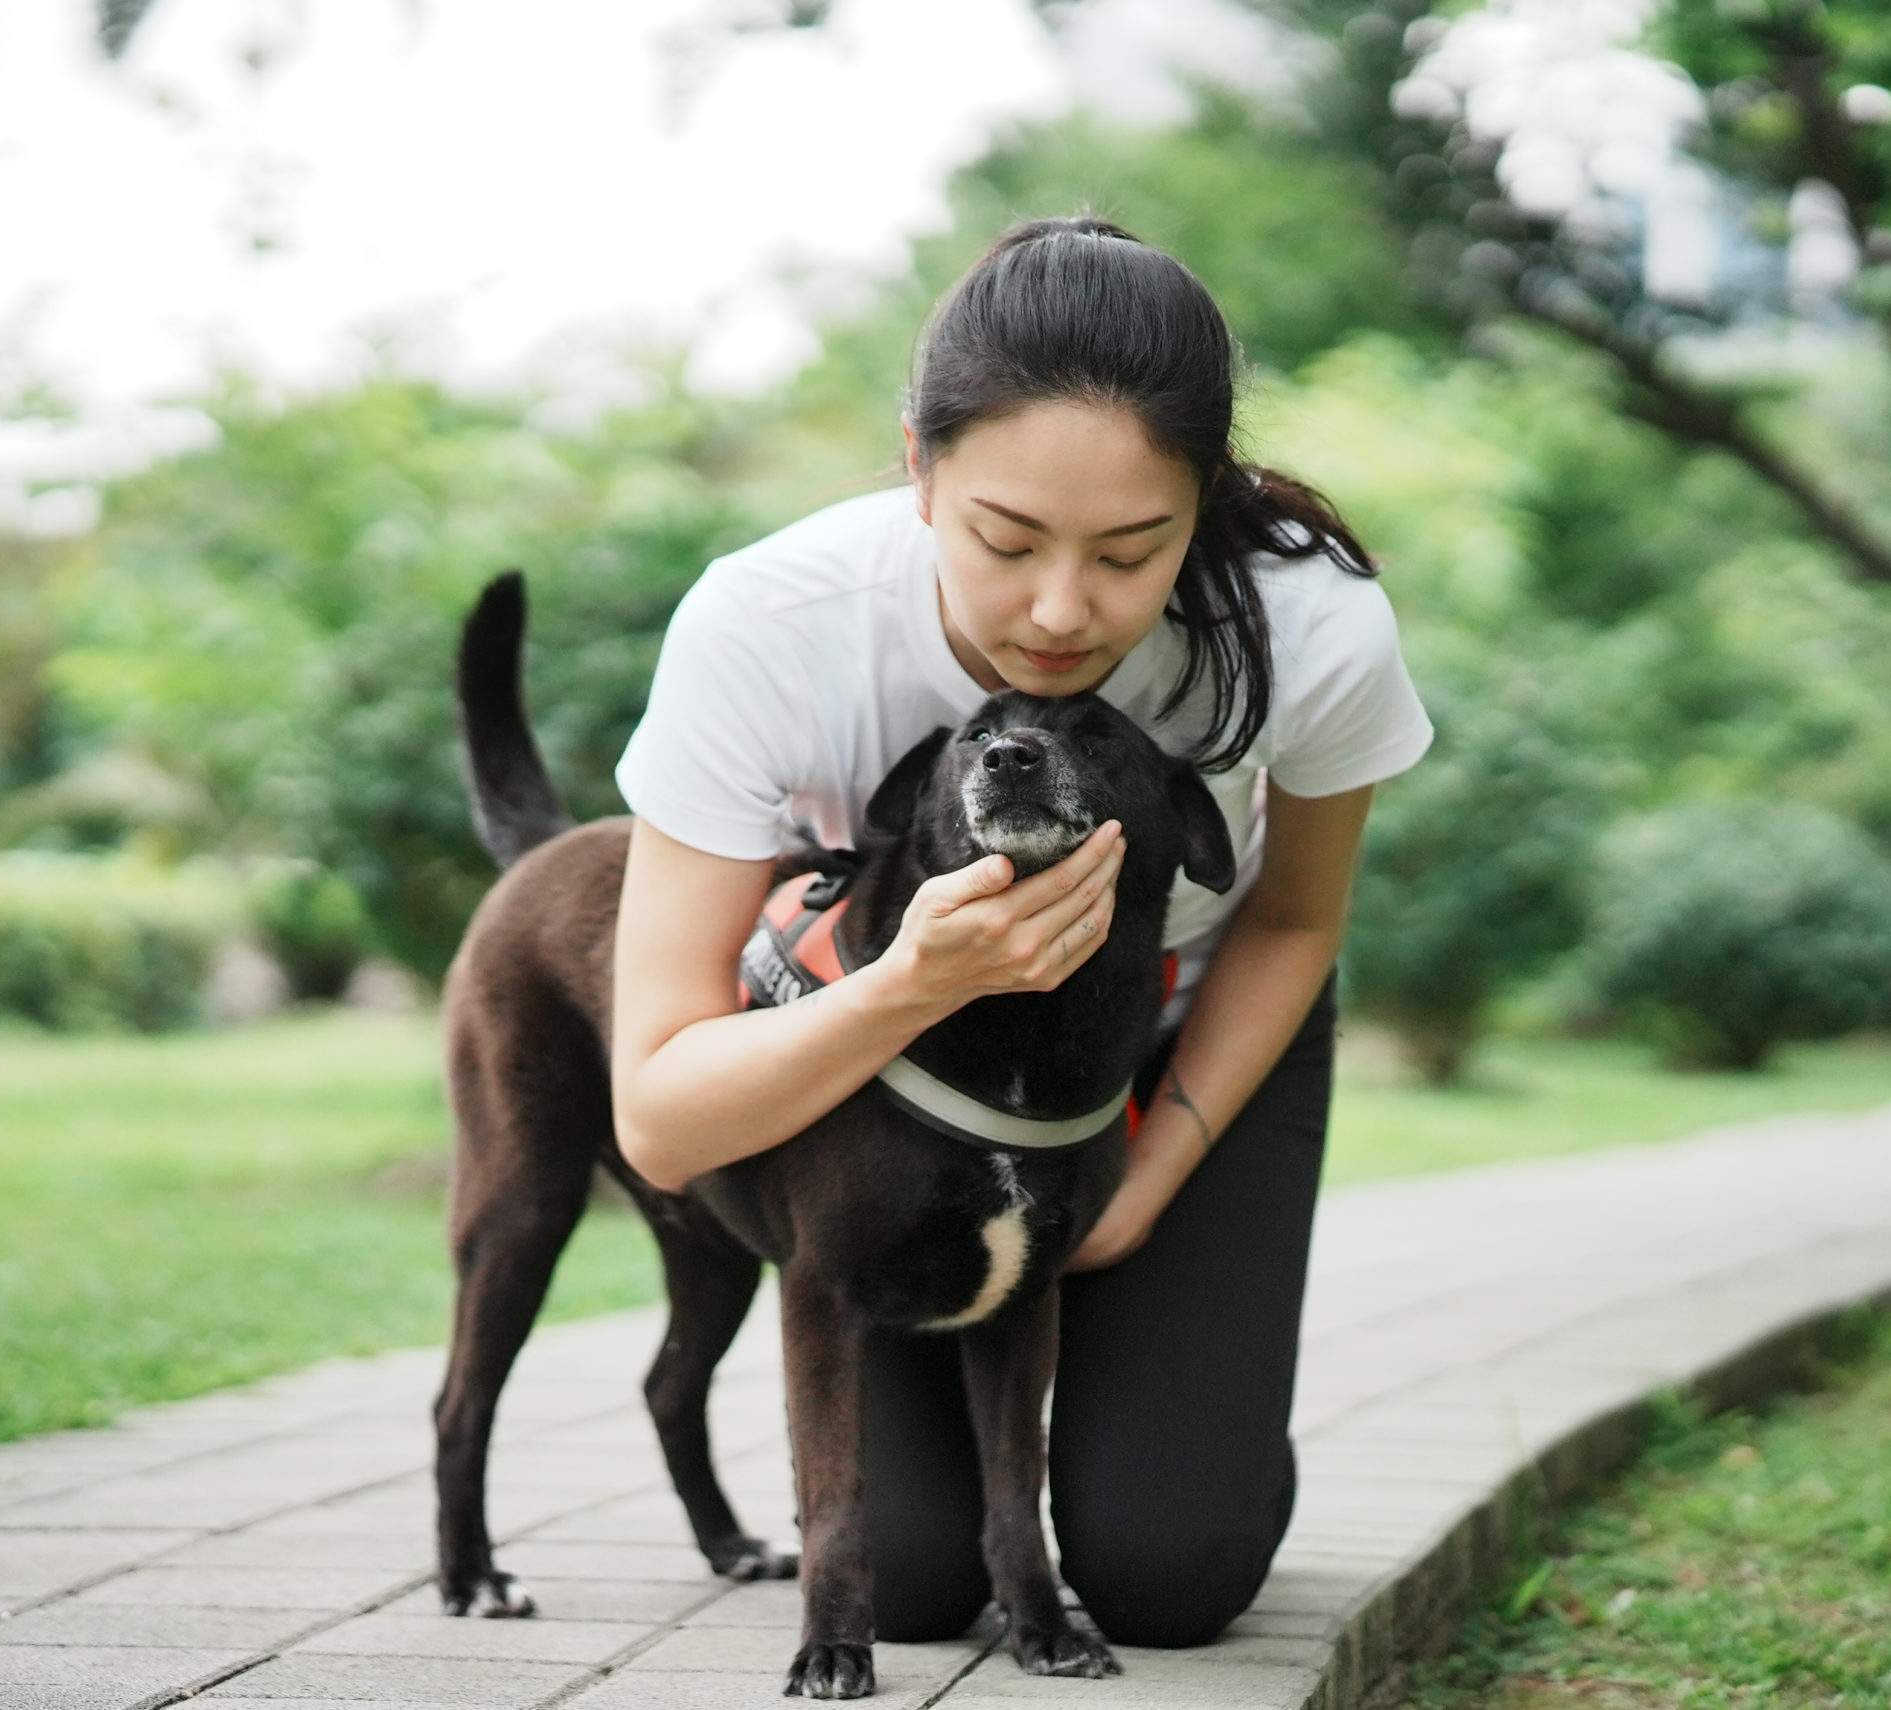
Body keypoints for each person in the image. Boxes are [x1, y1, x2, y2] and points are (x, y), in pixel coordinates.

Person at [603, 214, 1435, 1648]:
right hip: (892, 1091)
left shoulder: (1314, 623)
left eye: (1133, 549)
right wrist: (905, 988)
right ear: (919, 471)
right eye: (1006, 539)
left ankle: (1186, 1410)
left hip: (1178, 1049)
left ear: (1206, 502)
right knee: (916, 1587)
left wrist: (1146, 1167)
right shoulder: (768, 624)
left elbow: (1294, 921)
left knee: (1170, 1568)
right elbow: (665, 1118)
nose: (1060, 610)